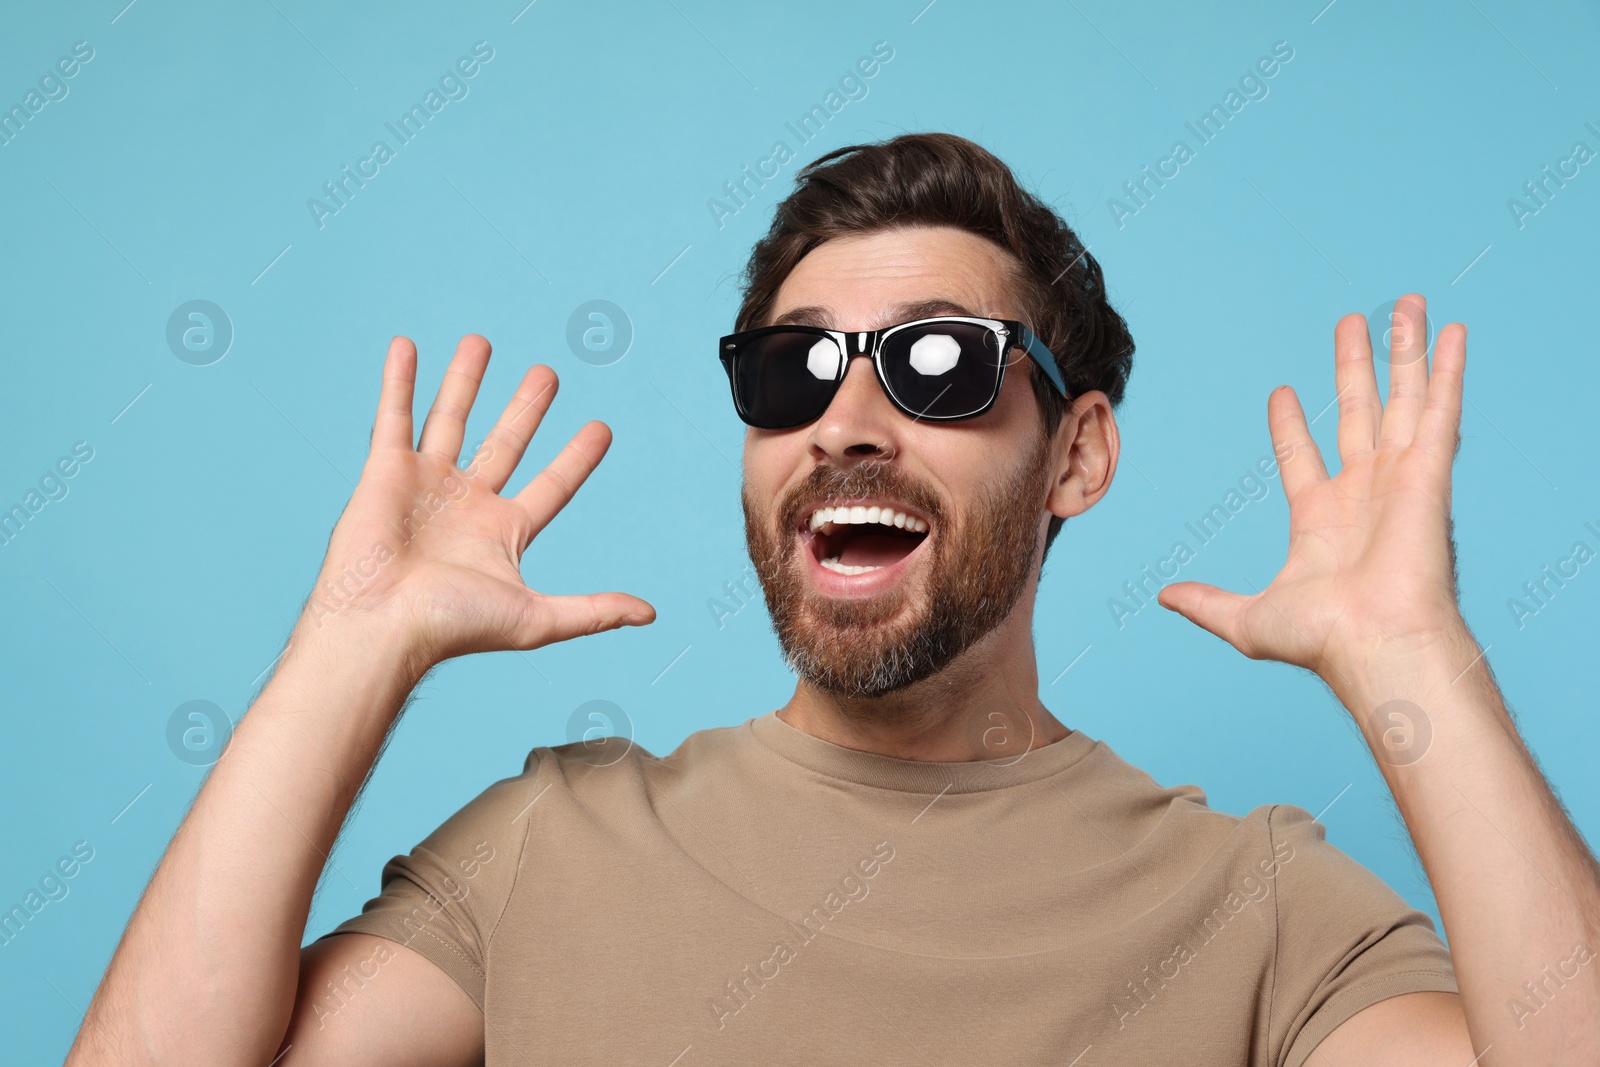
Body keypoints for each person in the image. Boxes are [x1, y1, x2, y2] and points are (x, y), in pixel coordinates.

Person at [67, 133, 1598, 1066]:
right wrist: (348, 655)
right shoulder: (558, 843)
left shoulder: (1249, 902)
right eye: (794, 370)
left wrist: (1417, 661)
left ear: (1077, 454)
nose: (846, 423)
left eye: (940, 364)